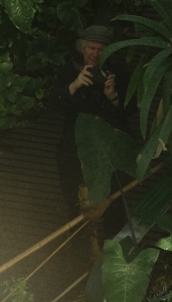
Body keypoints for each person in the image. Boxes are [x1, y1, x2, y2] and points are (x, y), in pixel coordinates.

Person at [51, 24, 127, 217]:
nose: (95, 54)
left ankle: (112, 243)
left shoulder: (117, 72)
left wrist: (112, 96)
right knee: (75, 204)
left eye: (101, 49)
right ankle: (79, 242)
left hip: (107, 148)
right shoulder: (69, 69)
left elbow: (129, 113)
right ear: (82, 48)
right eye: (91, 48)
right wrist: (74, 85)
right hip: (74, 146)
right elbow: (54, 103)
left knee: (114, 206)